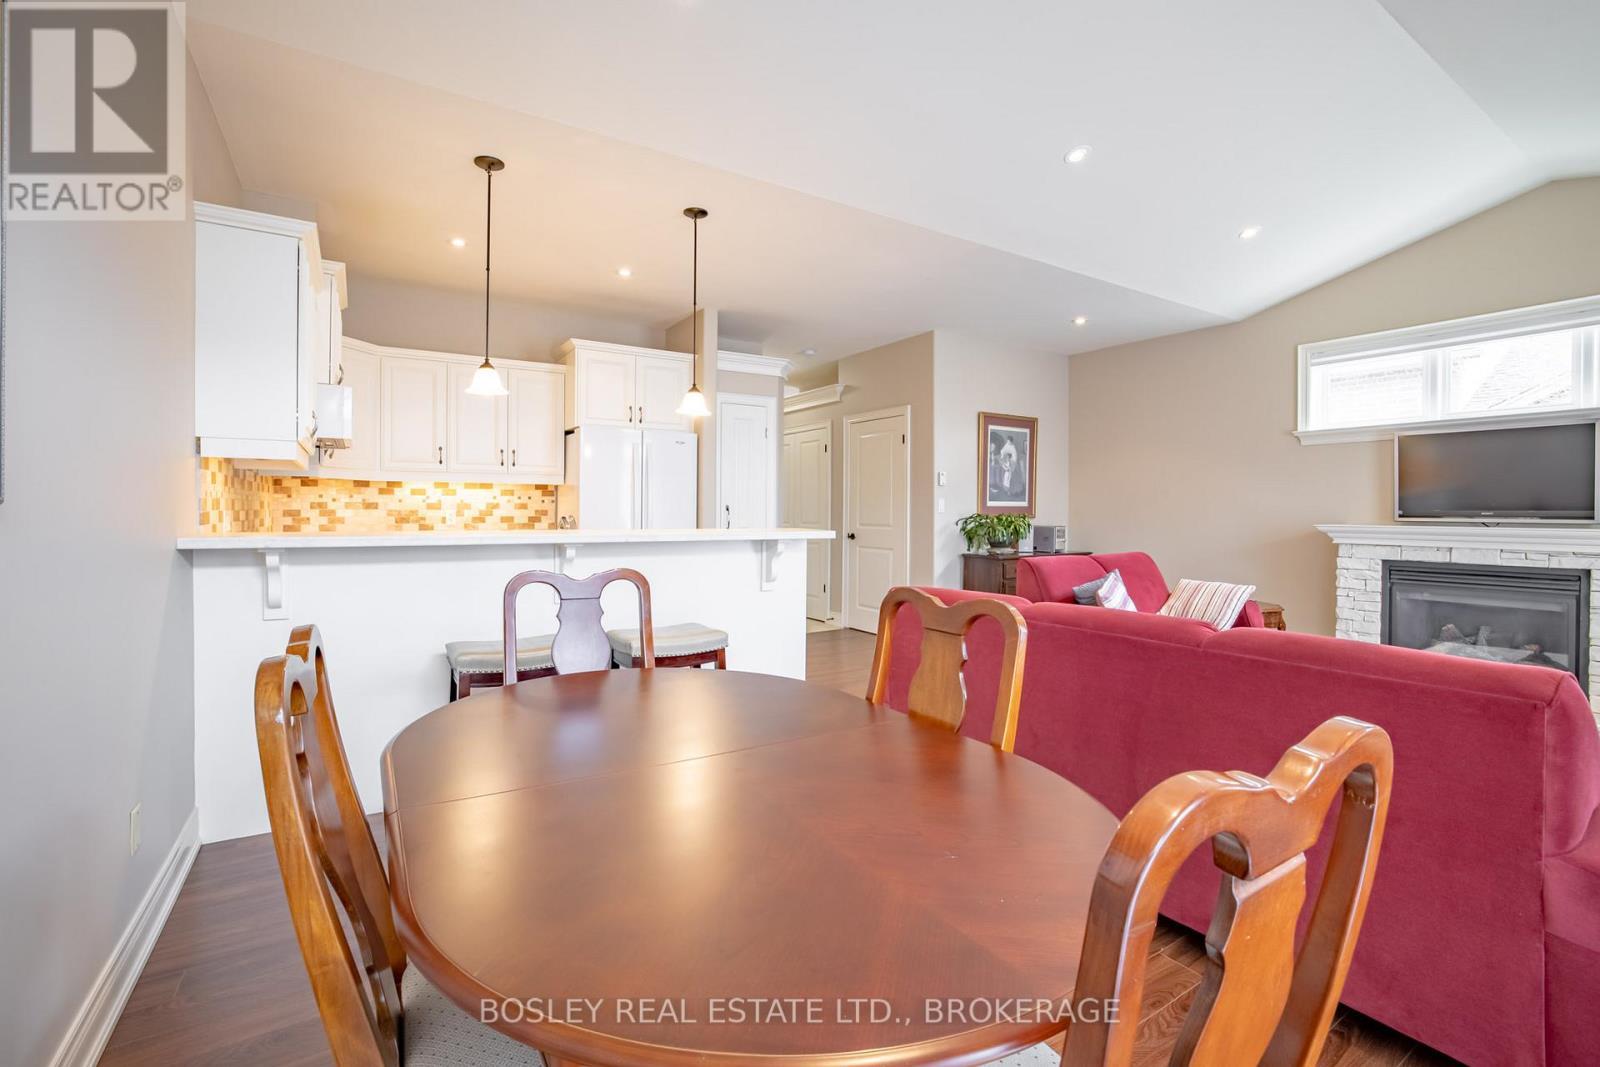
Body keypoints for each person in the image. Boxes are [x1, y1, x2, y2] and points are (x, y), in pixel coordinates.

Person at [988, 433, 1027, 503]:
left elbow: (1014, 456)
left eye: (1009, 441)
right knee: (1007, 479)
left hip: (1012, 464)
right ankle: (1008, 491)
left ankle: (1014, 492)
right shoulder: (1006, 446)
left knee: (1012, 479)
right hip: (1007, 463)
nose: (1008, 442)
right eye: (1007, 440)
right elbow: (1002, 452)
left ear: (1011, 441)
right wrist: (1003, 458)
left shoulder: (1013, 447)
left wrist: (1010, 463)